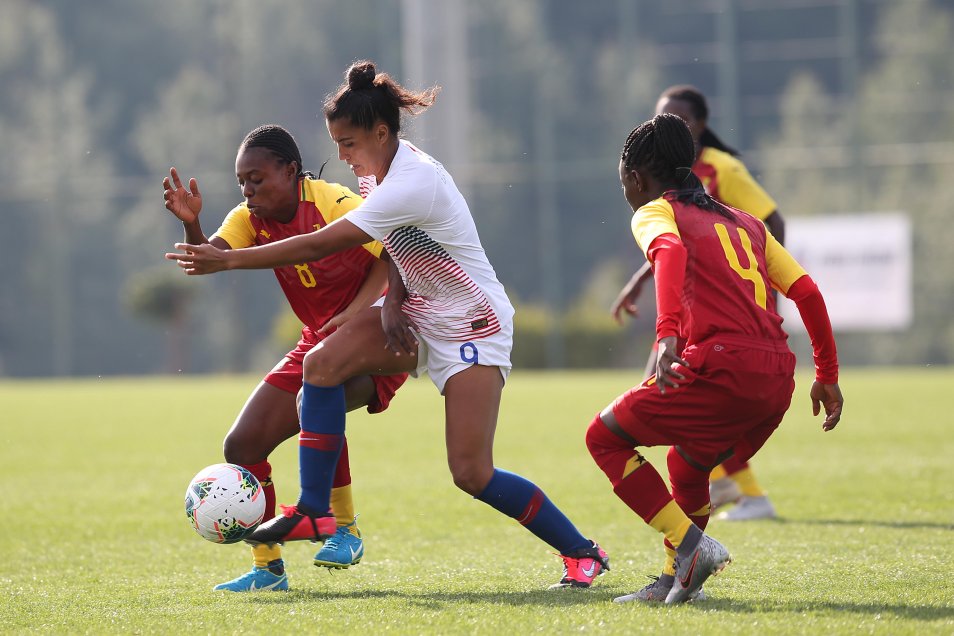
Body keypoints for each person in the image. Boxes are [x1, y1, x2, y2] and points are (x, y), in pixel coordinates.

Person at [166, 60, 609, 589]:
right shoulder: (377, 170)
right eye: (338, 143)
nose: (343, 157)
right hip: (419, 316)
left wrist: (234, 262)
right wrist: (394, 298)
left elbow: (325, 243)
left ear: (381, 132)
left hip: (472, 324)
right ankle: (320, 514)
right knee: (319, 367)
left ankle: (583, 553)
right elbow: (401, 247)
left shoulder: (411, 180)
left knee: (471, 473)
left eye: (348, 144)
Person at [588, 113, 843, 604]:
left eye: (624, 184)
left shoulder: (653, 212)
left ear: (637, 177)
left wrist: (665, 336)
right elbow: (807, 291)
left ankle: (690, 545)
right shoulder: (746, 222)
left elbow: (669, 253)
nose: (626, 194)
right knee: (688, 466)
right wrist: (827, 374)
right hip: (776, 381)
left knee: (603, 438)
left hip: (722, 367)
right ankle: (676, 580)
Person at [163, 124, 407, 592]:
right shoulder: (249, 218)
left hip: (377, 338)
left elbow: (394, 248)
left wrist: (360, 313)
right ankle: (268, 567)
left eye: (257, 178)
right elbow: (208, 259)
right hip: (316, 343)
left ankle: (345, 528)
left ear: (291, 170)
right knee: (242, 446)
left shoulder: (332, 203)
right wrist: (191, 223)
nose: (248, 190)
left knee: (317, 395)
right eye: (242, 182)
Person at [610, 84, 786, 521]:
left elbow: (771, 221)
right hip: (690, 305)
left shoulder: (722, 168)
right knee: (674, 401)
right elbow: (679, 242)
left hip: (715, 311)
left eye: (681, 118)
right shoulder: (672, 176)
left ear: (701, 125)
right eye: (662, 116)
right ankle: (724, 492)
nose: (671, 125)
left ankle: (718, 509)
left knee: (665, 400)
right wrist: (638, 281)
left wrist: (756, 288)